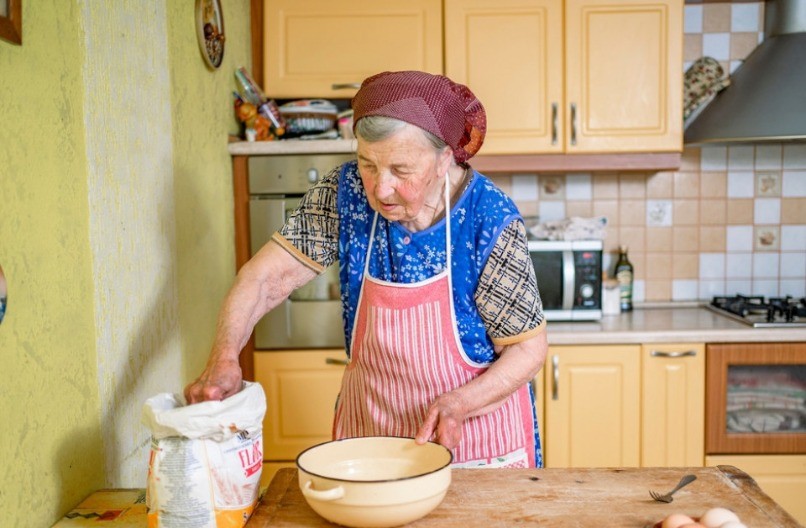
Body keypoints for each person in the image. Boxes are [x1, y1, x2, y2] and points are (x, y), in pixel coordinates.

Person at [185, 71, 548, 468]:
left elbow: (527, 348)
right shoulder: (347, 193)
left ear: (444, 159)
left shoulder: (488, 218)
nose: (380, 188)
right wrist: (224, 357)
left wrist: (461, 402)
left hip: (477, 441)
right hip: (372, 435)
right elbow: (264, 277)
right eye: (367, 165)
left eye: (401, 170)